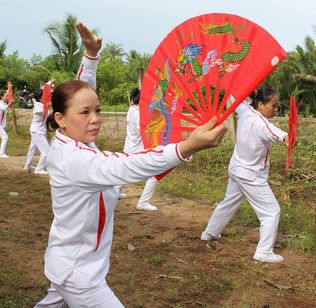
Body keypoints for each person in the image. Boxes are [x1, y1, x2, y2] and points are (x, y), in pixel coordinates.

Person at [35, 22, 227, 308]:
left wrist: (90, 57)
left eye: (97, 110)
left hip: (70, 260)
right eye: (85, 113)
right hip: (79, 274)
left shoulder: (73, 139)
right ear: (61, 119)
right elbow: (128, 166)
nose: (95, 118)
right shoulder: (76, 159)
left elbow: (81, 93)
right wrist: (187, 146)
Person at [201, 87, 293, 263]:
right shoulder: (262, 123)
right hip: (251, 175)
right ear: (260, 104)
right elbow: (276, 133)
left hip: (236, 169)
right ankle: (263, 252)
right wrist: (287, 138)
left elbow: (235, 94)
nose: (276, 109)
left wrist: (244, 82)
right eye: (273, 105)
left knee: (229, 202)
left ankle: (209, 233)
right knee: (271, 211)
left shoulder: (244, 110)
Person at [121, 87, 160, 210]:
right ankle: (143, 202)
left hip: (129, 146)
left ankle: (115, 192)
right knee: (155, 174)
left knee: (125, 172)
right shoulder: (138, 114)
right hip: (137, 150)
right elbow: (143, 131)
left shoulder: (131, 109)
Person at [24, 88, 49, 175]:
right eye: (44, 96)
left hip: (37, 129)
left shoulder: (40, 103)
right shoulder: (38, 106)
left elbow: (44, 87)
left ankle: (28, 165)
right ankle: (38, 169)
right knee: (46, 151)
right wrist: (47, 104)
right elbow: (40, 111)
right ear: (41, 97)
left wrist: (49, 83)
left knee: (32, 148)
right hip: (37, 131)